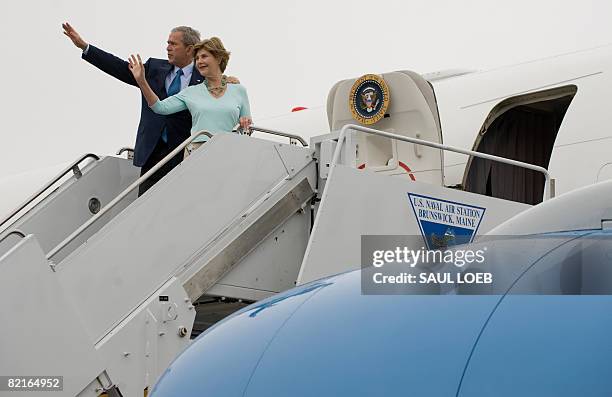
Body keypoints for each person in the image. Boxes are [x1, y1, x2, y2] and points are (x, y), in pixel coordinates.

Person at [62, 23, 236, 195]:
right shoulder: (153, 68)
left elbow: (222, 98)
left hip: (185, 153)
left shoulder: (204, 77)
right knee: (146, 204)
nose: (167, 48)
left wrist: (229, 82)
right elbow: (119, 68)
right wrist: (85, 47)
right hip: (152, 151)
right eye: (168, 43)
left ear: (190, 49)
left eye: (173, 44)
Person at [127, 37, 252, 156]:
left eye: (204, 56)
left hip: (230, 150)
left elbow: (248, 127)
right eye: (197, 58)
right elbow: (160, 107)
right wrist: (141, 81)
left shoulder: (238, 90)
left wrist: (244, 122)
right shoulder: (190, 92)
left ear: (219, 59)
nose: (199, 62)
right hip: (198, 151)